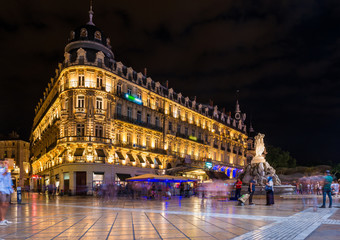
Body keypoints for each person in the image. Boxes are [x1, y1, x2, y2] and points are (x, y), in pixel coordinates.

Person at [0, 160, 13, 226]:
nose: (3, 164)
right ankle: (2, 220)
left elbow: (9, 179)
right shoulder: (1, 171)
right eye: (1, 163)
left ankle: (3, 219)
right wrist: (6, 166)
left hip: (8, 189)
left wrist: (11, 186)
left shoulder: (6, 172)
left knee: (6, 204)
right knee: (2, 204)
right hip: (2, 189)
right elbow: (2, 174)